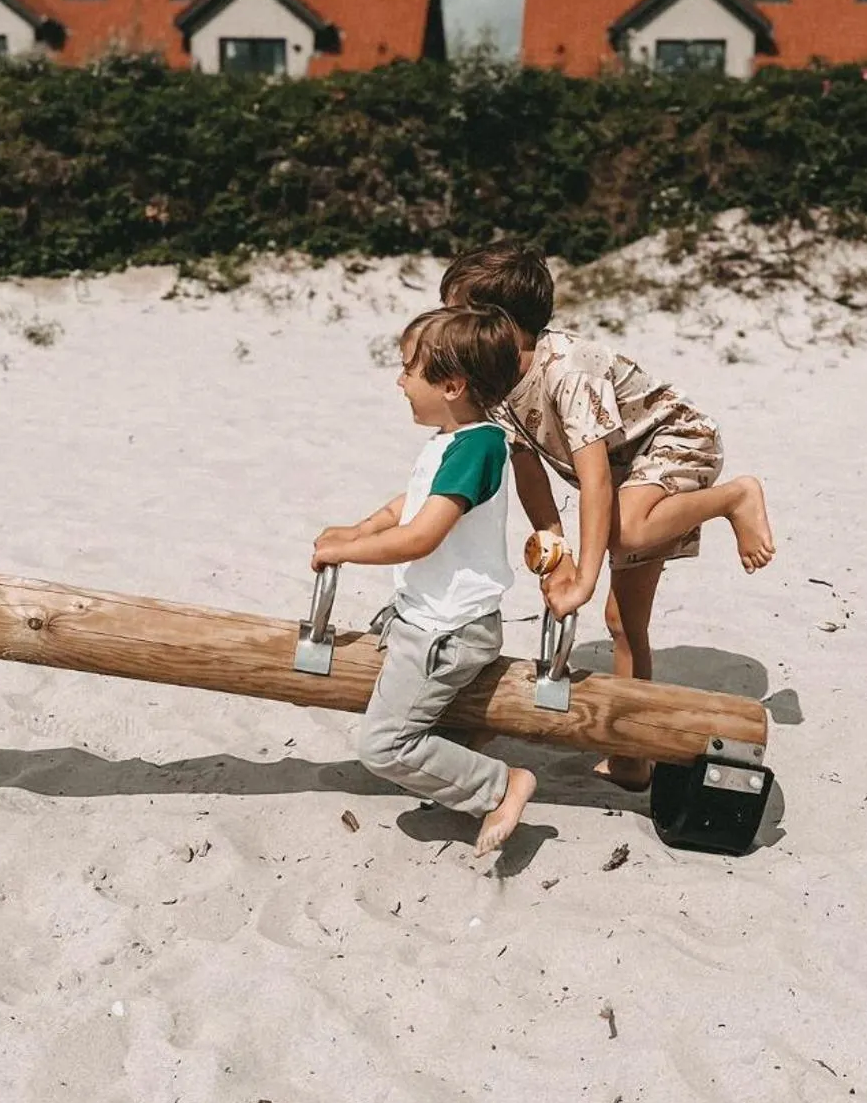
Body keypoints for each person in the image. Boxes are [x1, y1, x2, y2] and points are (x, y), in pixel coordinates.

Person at [439, 244, 774, 789]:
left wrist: (587, 580)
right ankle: (632, 754)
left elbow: (593, 477)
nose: (449, 327)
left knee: (624, 529)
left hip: (676, 441)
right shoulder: (494, 380)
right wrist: (556, 549)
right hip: (626, 481)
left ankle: (735, 498)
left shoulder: (568, 368)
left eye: (458, 313)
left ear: (499, 323)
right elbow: (527, 465)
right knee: (624, 623)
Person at [312, 305, 538, 858]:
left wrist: (348, 550)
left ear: (453, 384)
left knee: (383, 747)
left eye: (410, 370)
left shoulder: (479, 445)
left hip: (448, 631)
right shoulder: (451, 438)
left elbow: (421, 536)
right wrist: (362, 526)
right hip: (431, 617)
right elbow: (411, 502)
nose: (400, 381)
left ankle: (501, 785)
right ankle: (463, 739)